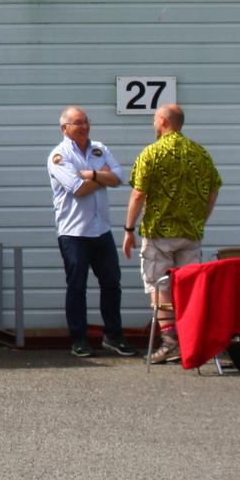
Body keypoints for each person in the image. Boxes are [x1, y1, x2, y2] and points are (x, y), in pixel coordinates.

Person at [122, 104, 222, 364]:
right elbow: (214, 189)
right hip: (190, 233)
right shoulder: (200, 153)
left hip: (158, 233)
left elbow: (138, 193)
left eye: (155, 119)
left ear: (164, 121)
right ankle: (192, 339)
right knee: (189, 287)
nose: (153, 123)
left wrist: (129, 229)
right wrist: (200, 219)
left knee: (159, 285)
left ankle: (169, 341)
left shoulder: (151, 153)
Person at [46, 107, 134, 358]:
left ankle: (113, 336)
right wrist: (102, 177)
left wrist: (93, 174)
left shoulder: (99, 148)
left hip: (101, 230)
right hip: (74, 232)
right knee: (77, 287)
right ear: (65, 128)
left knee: (111, 283)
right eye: (77, 123)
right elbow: (78, 189)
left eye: (86, 122)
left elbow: (118, 178)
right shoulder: (59, 156)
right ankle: (79, 339)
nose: (84, 127)